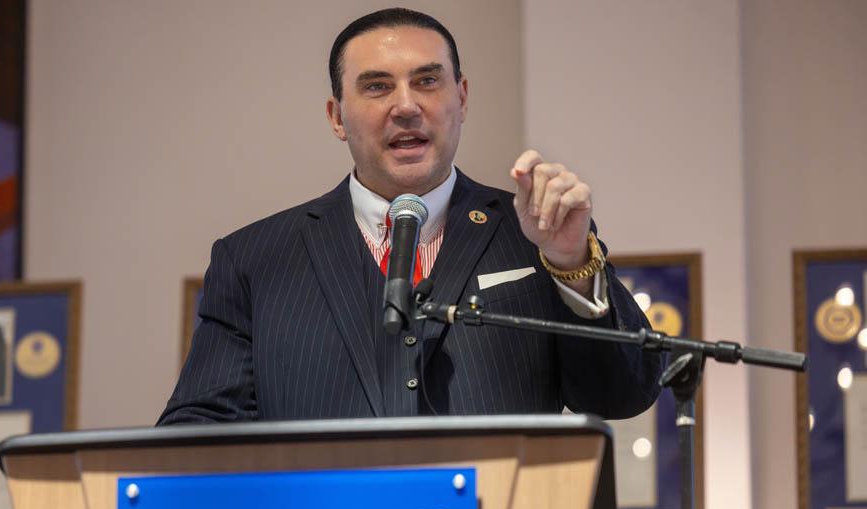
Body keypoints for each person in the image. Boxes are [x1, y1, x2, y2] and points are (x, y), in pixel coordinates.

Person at [158, 8, 662, 425]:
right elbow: (199, 428)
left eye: (427, 81)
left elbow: (622, 395)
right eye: (377, 87)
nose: (406, 106)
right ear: (337, 117)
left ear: (461, 98)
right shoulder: (254, 259)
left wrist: (571, 259)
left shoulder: (537, 232)